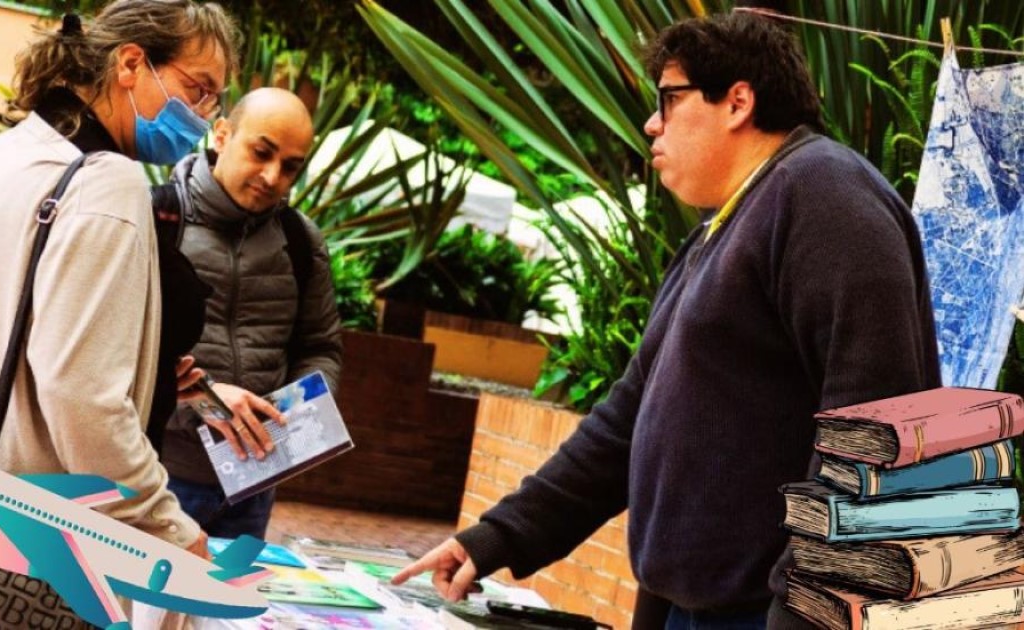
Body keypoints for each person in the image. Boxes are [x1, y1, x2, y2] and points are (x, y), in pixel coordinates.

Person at [393, 11, 941, 630]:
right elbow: (626, 423)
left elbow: (877, 425)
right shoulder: (721, 227)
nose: (652, 123)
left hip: (770, 615)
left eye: (670, 99)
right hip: (696, 609)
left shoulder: (824, 194)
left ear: (737, 101)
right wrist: (499, 537)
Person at [0, 0, 241, 616]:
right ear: (130, 64)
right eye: (197, 91)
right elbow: (82, 395)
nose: (201, 118)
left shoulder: (12, 153)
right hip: (25, 547)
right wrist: (168, 525)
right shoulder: (106, 182)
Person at [157, 87, 343, 540]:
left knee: (227, 611)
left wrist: (297, 418)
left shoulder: (301, 241)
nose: (273, 176)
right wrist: (209, 401)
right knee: (139, 611)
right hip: (158, 480)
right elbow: (120, 355)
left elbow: (320, 348)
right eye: (262, 152)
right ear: (222, 135)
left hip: (251, 492)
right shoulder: (155, 218)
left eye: (291, 166)